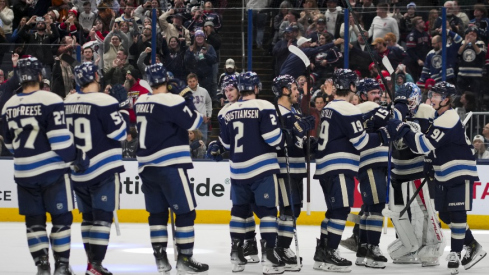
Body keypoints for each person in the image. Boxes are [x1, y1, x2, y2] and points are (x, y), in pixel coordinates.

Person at [384, 81, 487, 273]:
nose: (431, 99)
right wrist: (430, 163)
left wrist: (401, 128)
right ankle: (473, 246)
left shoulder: (448, 118)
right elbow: (435, 148)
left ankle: (456, 253)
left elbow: (422, 146)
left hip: (459, 172)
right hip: (444, 173)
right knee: (445, 215)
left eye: (436, 96)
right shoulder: (439, 117)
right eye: (431, 95)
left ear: (447, 100)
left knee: (456, 215)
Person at [1, 56, 82, 275]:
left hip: (24, 171)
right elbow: (60, 140)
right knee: (62, 218)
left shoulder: (8, 104)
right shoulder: (50, 99)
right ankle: (62, 266)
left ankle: (42, 266)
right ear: (39, 75)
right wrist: (76, 156)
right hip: (52, 172)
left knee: (34, 221)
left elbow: (9, 143)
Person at [134, 65, 209, 275]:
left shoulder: (141, 101)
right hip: (170, 164)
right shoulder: (173, 100)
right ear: (166, 80)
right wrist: (182, 97)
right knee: (185, 213)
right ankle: (185, 257)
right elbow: (195, 121)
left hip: (146, 166)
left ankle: (160, 260)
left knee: (156, 214)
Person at [313, 69, 384, 273]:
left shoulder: (329, 107)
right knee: (342, 211)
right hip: (340, 165)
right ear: (352, 87)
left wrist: (368, 117)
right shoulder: (348, 109)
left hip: (325, 166)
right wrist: (383, 135)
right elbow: (361, 141)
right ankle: (331, 252)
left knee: (333, 211)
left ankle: (323, 251)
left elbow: (345, 128)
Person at [215, 71, 286, 274]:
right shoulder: (264, 106)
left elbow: (227, 143)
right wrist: (285, 135)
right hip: (261, 168)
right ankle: (270, 257)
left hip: (237, 171)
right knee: (267, 213)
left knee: (238, 211)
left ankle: (236, 255)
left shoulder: (227, 111)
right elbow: (273, 139)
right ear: (256, 88)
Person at [65, 62, 128, 275]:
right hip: (101, 168)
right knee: (101, 217)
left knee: (87, 218)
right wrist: (123, 109)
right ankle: (96, 265)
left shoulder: (68, 101)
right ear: (95, 76)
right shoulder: (105, 101)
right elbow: (119, 134)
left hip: (77, 169)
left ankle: (91, 264)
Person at [272, 74, 315, 271]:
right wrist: (292, 131)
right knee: (288, 209)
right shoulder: (274, 113)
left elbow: (299, 140)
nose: (297, 91)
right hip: (284, 169)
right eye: (294, 88)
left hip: (298, 169)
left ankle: (280, 247)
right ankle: (279, 248)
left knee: (294, 209)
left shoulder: (295, 111)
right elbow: (276, 140)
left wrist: (310, 144)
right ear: (284, 90)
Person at [187, 73, 212, 143]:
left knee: (203, 141)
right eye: (190, 81)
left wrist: (209, 115)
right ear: (187, 82)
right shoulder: (185, 93)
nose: (192, 83)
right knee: (189, 142)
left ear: (197, 81)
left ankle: (203, 154)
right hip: (190, 121)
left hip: (202, 121)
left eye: (193, 81)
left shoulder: (204, 91)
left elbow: (209, 102)